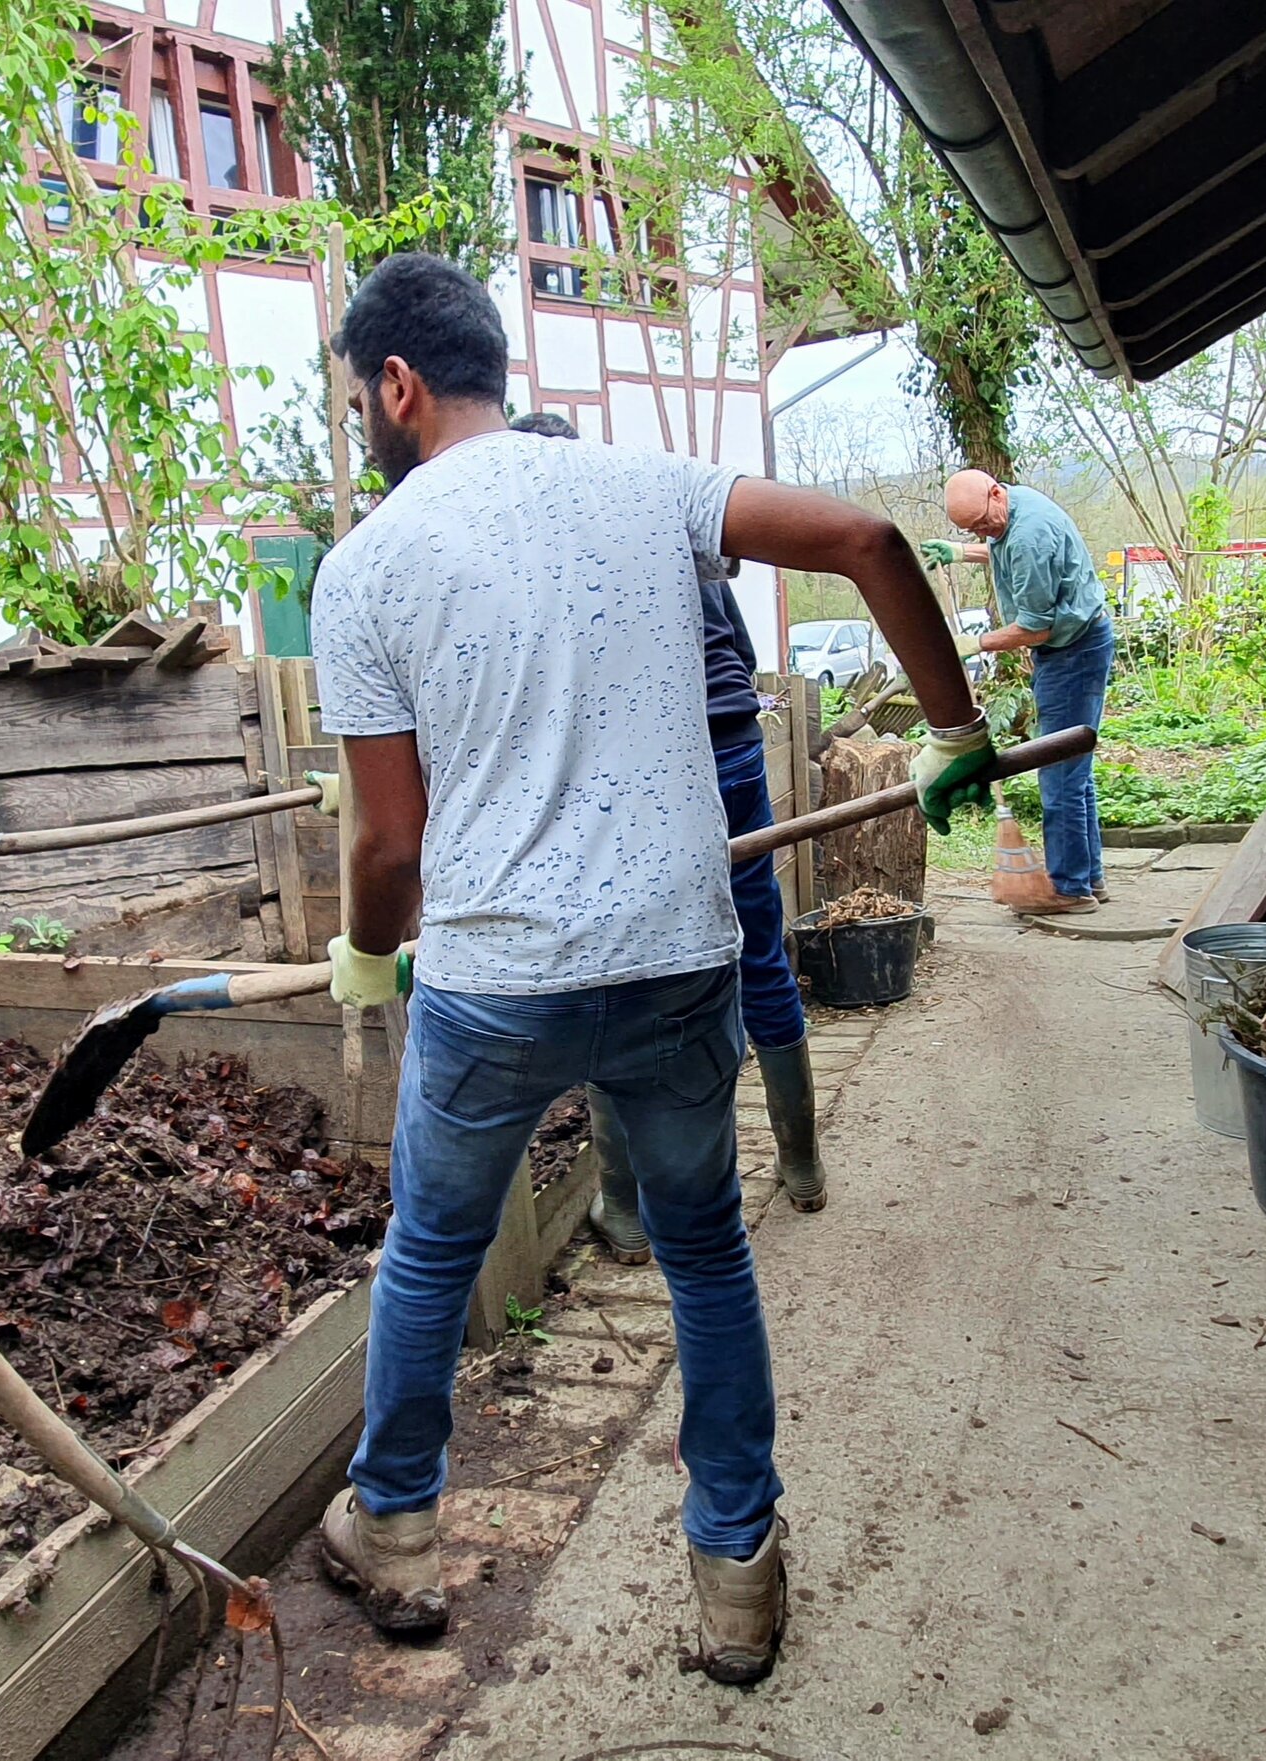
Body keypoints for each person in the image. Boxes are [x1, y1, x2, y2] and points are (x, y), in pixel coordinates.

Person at [310, 253, 989, 1683]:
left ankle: (401, 1533)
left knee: (429, 1255)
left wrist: (371, 963)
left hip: (493, 979)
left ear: (397, 386)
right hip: (678, 955)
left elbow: (389, 842)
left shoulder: (364, 568)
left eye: (354, 399)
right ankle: (737, 1569)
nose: (360, 423)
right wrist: (955, 728)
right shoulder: (645, 486)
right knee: (703, 1249)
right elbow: (872, 536)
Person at [507, 412, 825, 1220]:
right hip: (735, 743)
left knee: (623, 961)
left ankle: (623, 1207)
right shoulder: (664, 514)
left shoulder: (568, 545)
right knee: (757, 947)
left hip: (659, 758)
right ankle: (801, 1165)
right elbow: (738, 653)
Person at [923, 469, 1114, 912]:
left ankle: (1069, 888)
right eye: (970, 529)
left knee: (1060, 773)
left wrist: (975, 642)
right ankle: (1090, 878)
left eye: (982, 523)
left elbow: (1036, 628)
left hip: (1072, 654)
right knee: (1075, 771)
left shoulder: (1029, 535)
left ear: (995, 492)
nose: (981, 531)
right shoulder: (1016, 504)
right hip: (1079, 646)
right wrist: (961, 552)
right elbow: (1000, 547)